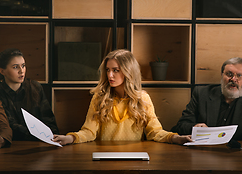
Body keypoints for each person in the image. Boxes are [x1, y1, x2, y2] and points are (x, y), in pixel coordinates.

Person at [52, 49, 192, 145]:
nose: (110, 75)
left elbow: (154, 132)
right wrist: (70, 138)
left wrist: (175, 138)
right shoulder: (99, 98)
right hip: (103, 157)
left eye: (115, 70)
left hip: (135, 157)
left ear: (128, 72)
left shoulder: (143, 99)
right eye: (108, 70)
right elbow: (89, 132)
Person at [171, 57, 242, 144]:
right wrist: (196, 127)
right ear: (222, 75)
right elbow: (180, 126)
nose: (233, 79)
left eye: (239, 76)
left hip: (236, 156)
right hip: (203, 153)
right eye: (229, 74)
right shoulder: (201, 94)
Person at [0, 48, 59, 140]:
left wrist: (51, 135)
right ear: (2, 71)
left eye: (23, 66)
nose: (21, 71)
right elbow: (8, 125)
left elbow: (49, 120)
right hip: (11, 142)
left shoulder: (35, 88)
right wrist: (39, 135)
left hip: (38, 143)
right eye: (15, 67)